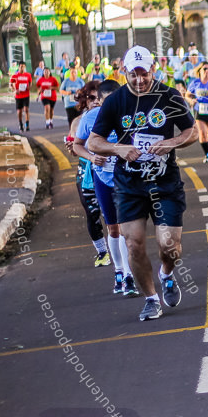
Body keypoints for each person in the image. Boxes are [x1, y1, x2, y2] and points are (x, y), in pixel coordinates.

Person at [86, 46, 198, 322]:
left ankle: (167, 274)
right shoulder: (114, 102)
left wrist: (170, 142)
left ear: (153, 70)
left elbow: (193, 131)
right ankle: (150, 298)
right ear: (124, 71)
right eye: (133, 74)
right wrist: (118, 150)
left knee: (170, 246)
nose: (139, 79)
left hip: (164, 182)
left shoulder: (169, 96)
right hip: (129, 184)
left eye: (144, 73)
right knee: (134, 244)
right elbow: (93, 142)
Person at [69, 81, 133, 292]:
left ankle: (130, 275)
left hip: (125, 178)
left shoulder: (129, 114)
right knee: (113, 227)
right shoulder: (90, 118)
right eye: (105, 102)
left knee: (127, 227)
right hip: (102, 178)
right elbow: (77, 145)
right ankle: (119, 271)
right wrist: (91, 157)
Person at [187, 62, 208, 163]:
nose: (207, 71)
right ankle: (207, 155)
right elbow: (187, 95)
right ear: (200, 71)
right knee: (202, 133)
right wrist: (191, 100)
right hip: (199, 110)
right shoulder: (195, 83)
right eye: (205, 69)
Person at [9, 62, 33, 132]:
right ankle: (20, 124)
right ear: (18, 67)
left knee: (26, 109)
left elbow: (30, 83)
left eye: (23, 67)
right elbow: (11, 85)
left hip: (26, 95)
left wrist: (29, 87)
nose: (22, 68)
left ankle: (27, 124)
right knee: (19, 111)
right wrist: (15, 90)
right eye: (21, 67)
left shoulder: (28, 75)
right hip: (18, 96)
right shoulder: (15, 76)